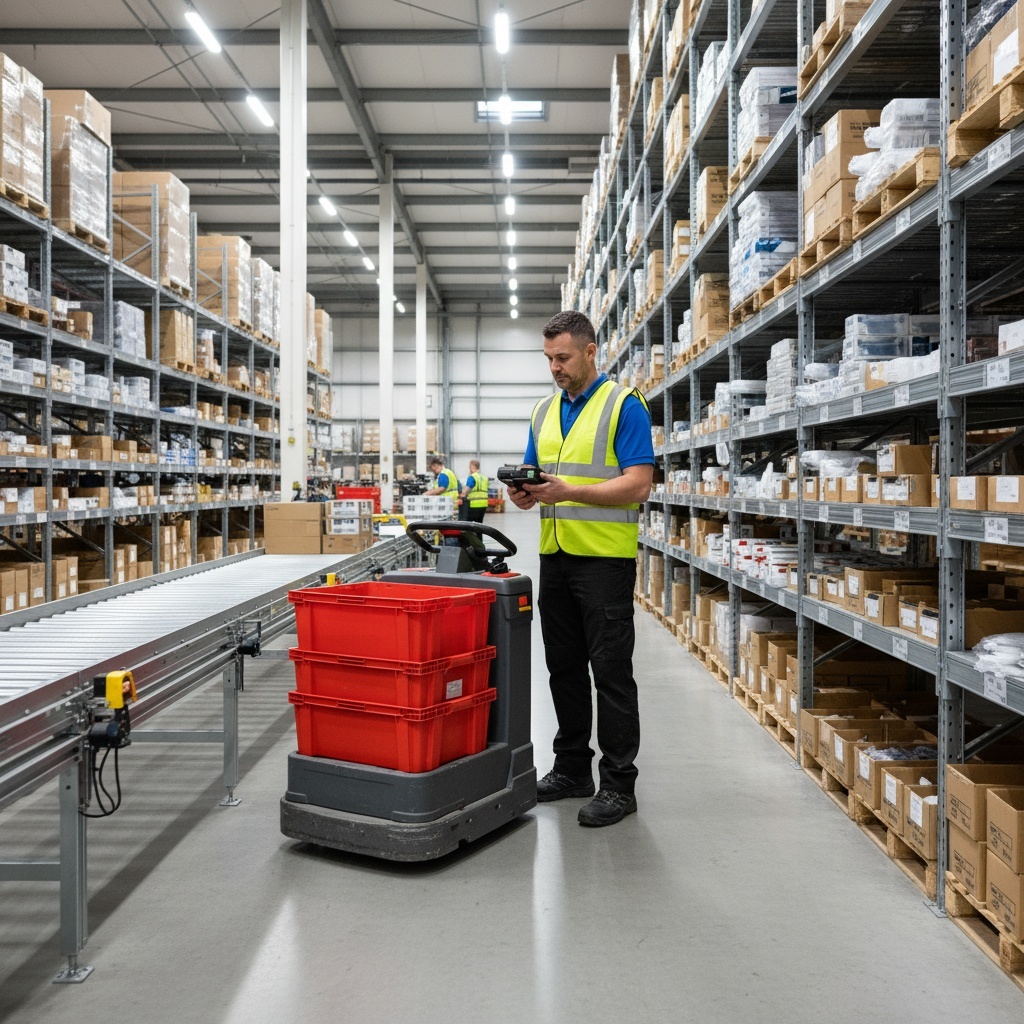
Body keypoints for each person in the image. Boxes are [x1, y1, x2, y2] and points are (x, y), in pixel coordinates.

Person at [506, 310, 654, 827]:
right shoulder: (544, 411)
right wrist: (523, 493)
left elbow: (638, 484)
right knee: (563, 668)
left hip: (604, 562)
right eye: (548, 358)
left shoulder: (624, 405)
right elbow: (538, 477)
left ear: (591, 352)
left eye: (563, 357)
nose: (555, 367)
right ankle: (572, 768)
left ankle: (619, 784)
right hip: (555, 556)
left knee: (610, 673)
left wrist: (569, 491)